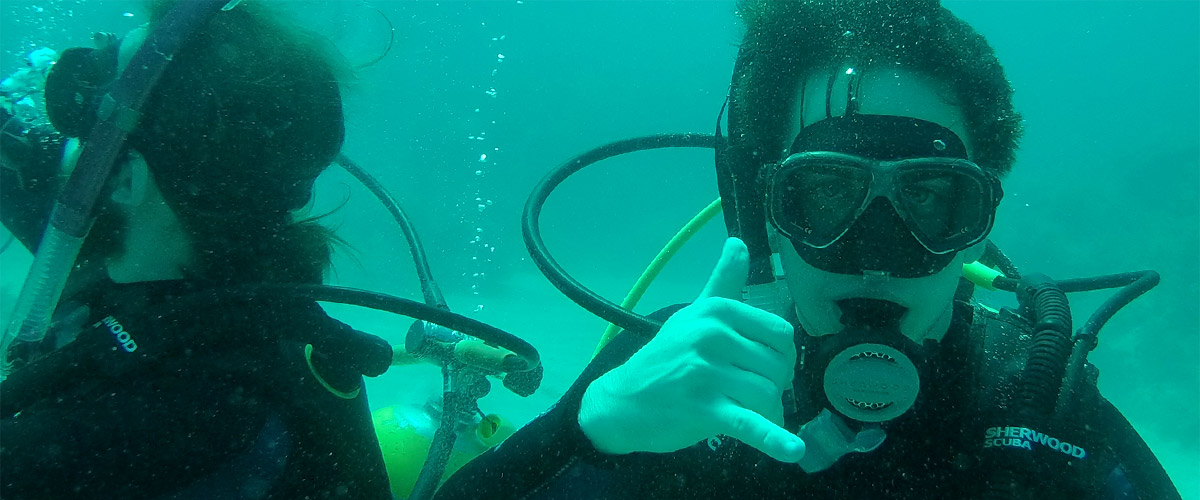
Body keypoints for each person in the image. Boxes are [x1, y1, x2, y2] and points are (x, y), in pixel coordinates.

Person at [433, 1, 1182, 498]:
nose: (876, 254)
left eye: (931, 197)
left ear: (979, 223)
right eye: (825, 193)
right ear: (764, 215)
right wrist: (588, 431)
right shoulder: (672, 374)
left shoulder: (1034, 399)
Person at [0, 1, 395, 498]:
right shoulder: (245, 302)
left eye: (94, 113)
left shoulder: (133, 423)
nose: (67, 133)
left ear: (125, 177)